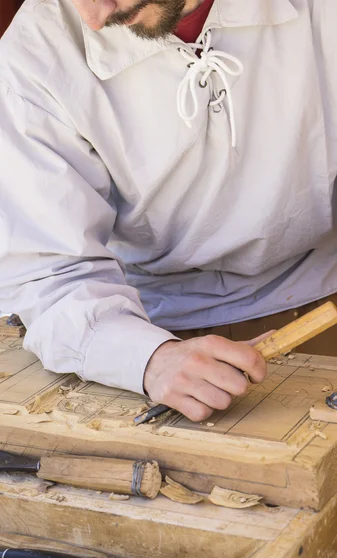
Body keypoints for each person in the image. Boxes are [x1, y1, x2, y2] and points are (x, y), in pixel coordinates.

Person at [0, 0, 336, 422]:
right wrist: (148, 358)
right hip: (148, 331)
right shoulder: (33, 55)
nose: (94, 17)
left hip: (321, 297)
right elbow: (49, 276)